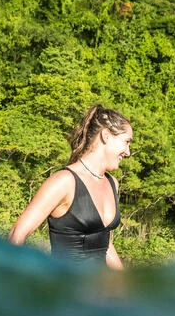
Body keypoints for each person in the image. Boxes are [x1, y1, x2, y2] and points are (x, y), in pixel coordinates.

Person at [8, 104, 132, 270]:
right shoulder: (64, 181)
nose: (128, 152)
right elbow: (17, 234)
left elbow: (106, 245)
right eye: (126, 142)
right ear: (106, 136)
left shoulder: (112, 183)